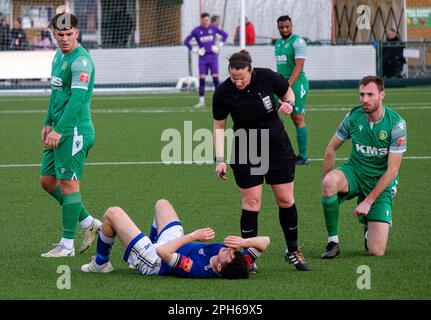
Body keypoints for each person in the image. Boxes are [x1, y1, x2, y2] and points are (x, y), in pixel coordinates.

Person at [212, 49, 310, 272]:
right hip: (245, 148)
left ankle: (292, 250)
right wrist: (219, 159)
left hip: (277, 146)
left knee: (285, 200)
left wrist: (289, 104)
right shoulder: (223, 92)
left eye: (242, 78)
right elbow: (219, 127)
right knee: (252, 203)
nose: (237, 82)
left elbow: (289, 93)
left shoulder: (267, 77)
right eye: (233, 77)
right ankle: (249, 257)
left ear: (251, 71)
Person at [321, 75, 407, 258]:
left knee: (376, 251)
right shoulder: (353, 116)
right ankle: (333, 242)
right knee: (330, 182)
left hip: (380, 181)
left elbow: (392, 170)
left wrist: (368, 201)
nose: (364, 99)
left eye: (370, 94)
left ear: (382, 95)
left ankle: (370, 227)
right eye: (361, 94)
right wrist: (327, 181)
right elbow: (331, 148)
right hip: (355, 171)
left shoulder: (396, 125)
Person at [81, 199, 271, 279]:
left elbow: (162, 252)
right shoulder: (237, 263)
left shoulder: (196, 269)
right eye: (232, 251)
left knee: (112, 214)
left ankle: (101, 263)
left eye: (228, 254)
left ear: (219, 268)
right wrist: (244, 243)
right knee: (162, 204)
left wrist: (193, 236)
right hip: (174, 245)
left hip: (155, 259)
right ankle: (142, 244)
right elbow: (266, 242)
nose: (230, 250)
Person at [40, 12, 101, 257]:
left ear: (77, 32)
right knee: (47, 181)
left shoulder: (81, 62)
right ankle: (89, 223)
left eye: (68, 34)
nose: (64, 39)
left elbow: (76, 100)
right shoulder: (58, 56)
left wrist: (59, 129)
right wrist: (47, 122)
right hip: (58, 128)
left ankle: (67, 245)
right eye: (60, 35)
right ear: (54, 34)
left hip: (74, 131)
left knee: (68, 185)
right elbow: (56, 93)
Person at [274, 15, 310, 165]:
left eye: (287, 26)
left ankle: (302, 157)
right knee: (270, 115)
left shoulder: (298, 42)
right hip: (281, 84)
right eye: (281, 27)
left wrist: (287, 85)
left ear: (291, 25)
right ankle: (275, 151)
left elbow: (299, 66)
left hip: (296, 84)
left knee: (297, 119)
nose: (284, 29)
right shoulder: (278, 43)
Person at [184, 12, 228, 108]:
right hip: (203, 58)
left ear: (209, 20)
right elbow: (186, 41)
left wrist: (219, 46)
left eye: (207, 20)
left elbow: (225, 35)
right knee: (202, 79)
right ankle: (201, 101)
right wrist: (195, 50)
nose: (205, 22)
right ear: (201, 20)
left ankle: (219, 101)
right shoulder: (196, 30)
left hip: (213, 56)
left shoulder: (213, 28)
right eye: (204, 20)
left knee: (215, 78)